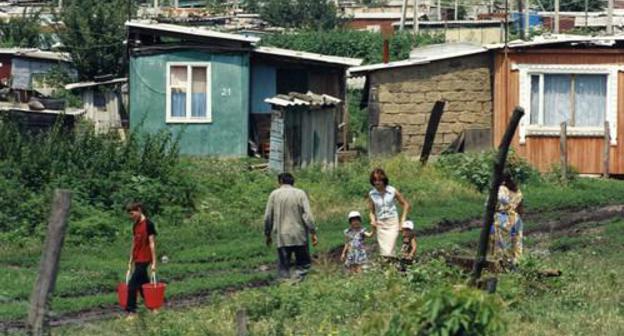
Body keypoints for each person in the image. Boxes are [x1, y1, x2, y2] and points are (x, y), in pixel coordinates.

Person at [264, 172, 318, 280]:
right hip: (299, 235)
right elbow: (308, 215)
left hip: (282, 236)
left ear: (280, 181)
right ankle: (297, 282)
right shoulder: (300, 193)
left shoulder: (274, 194)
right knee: (303, 264)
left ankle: (285, 285)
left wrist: (267, 233)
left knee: (284, 265)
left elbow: (268, 216)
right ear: (293, 182)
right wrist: (313, 232)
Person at [367, 168, 411, 260]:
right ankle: (389, 270)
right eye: (375, 180)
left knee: (390, 249)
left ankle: (394, 267)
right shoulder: (372, 194)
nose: (377, 183)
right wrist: (373, 220)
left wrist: (402, 220)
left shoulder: (392, 191)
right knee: (384, 251)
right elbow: (371, 211)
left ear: (383, 180)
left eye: (379, 180)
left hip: (392, 222)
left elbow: (406, 204)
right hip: (381, 224)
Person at [125, 202, 157, 319]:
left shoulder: (149, 224)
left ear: (139, 210)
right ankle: (152, 308)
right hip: (137, 258)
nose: (131, 216)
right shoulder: (135, 226)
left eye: (132, 213)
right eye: (129, 214)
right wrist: (130, 260)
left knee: (132, 285)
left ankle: (131, 311)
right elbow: (134, 244)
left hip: (145, 258)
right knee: (143, 285)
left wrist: (154, 262)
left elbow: (152, 243)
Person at [489, 173, 524, 268]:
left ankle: (503, 266)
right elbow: (521, 207)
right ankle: (517, 265)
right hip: (517, 219)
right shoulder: (517, 190)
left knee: (502, 244)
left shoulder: (501, 189)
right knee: (516, 243)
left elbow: (492, 204)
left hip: (503, 218)